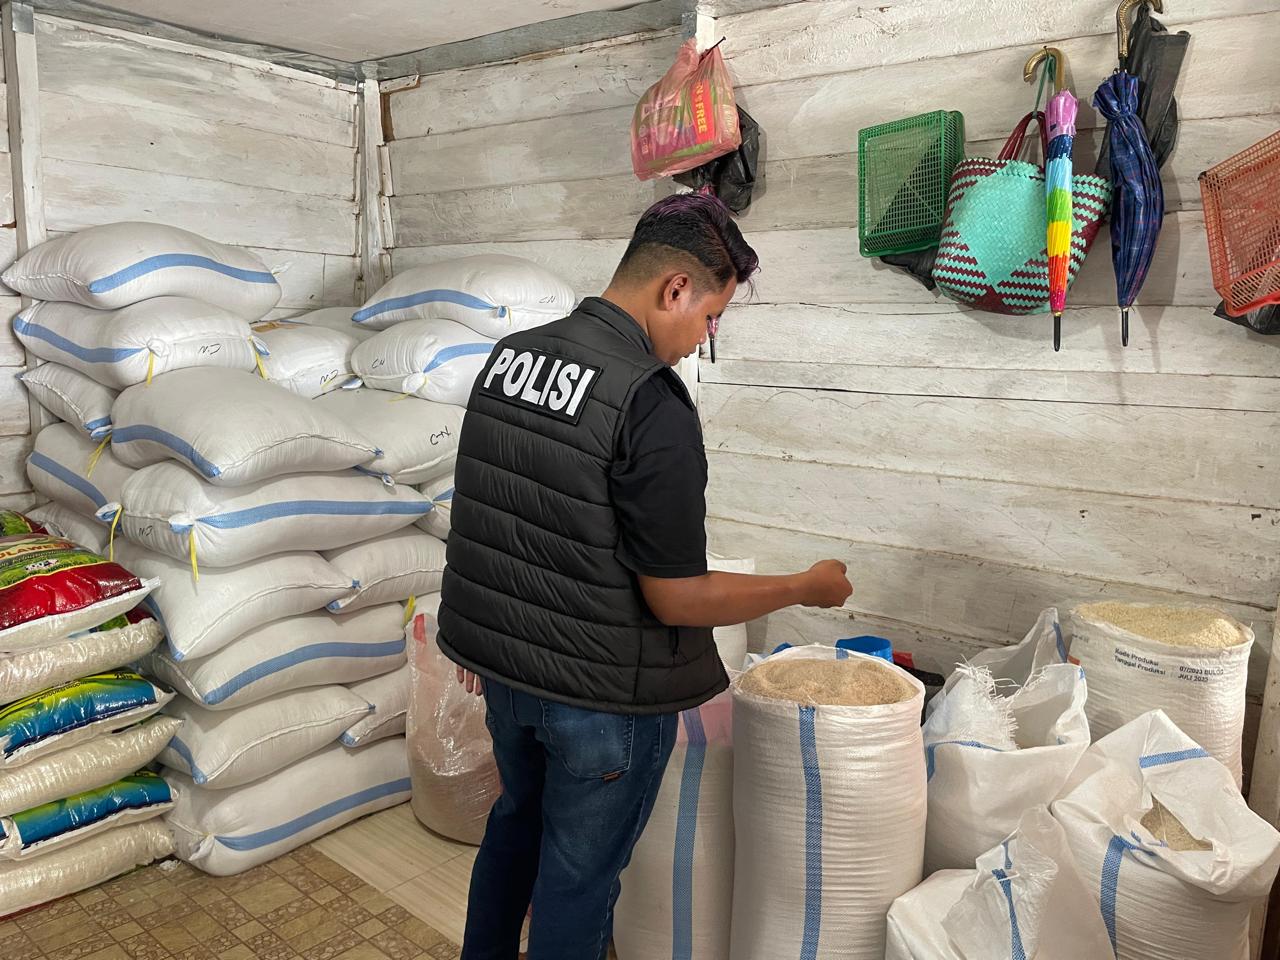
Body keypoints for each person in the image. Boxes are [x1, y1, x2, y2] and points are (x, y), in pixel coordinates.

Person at [437, 194, 853, 960]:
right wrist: (804, 585)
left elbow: (483, 515)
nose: (703, 339)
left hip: (508, 679)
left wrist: (475, 641)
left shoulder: (511, 358)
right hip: (598, 703)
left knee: (515, 829)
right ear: (675, 289)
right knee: (576, 882)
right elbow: (677, 595)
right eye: (710, 317)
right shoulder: (649, 400)